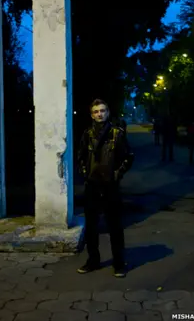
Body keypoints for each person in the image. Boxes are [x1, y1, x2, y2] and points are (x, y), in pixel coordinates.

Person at [77, 99, 134, 277]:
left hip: (111, 187)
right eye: (96, 111)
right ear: (91, 114)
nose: (99, 114)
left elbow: (128, 157)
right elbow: (80, 157)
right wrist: (86, 173)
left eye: (102, 110)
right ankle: (93, 261)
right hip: (92, 186)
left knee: (115, 227)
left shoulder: (117, 134)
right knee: (91, 228)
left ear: (107, 112)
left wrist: (117, 174)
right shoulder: (87, 134)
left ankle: (119, 263)